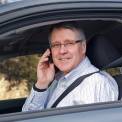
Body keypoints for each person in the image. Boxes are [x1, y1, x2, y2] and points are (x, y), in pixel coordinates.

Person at [22, 22, 118, 111]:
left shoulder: (96, 84)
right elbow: (28, 117)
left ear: (83, 47)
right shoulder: (57, 79)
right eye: (56, 45)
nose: (62, 51)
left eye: (69, 43)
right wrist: (42, 84)